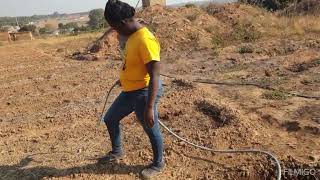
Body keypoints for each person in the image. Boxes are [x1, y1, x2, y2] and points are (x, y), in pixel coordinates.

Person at [99, 0, 165, 178]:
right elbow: (133, 63)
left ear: (122, 23)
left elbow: (155, 76)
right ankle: (117, 152)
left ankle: (158, 164)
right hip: (130, 90)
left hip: (144, 93)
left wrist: (150, 108)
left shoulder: (146, 40)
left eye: (114, 27)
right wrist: (124, 78)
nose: (115, 31)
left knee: (151, 128)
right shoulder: (132, 36)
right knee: (110, 118)